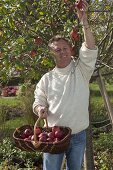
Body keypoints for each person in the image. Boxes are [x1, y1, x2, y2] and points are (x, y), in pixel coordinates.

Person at [33, 0, 98, 169]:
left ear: (71, 49)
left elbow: (90, 48)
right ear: (52, 55)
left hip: (78, 135)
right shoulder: (47, 78)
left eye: (65, 48)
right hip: (54, 136)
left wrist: (84, 22)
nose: (62, 52)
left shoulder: (82, 69)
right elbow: (38, 100)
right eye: (57, 50)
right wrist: (40, 108)